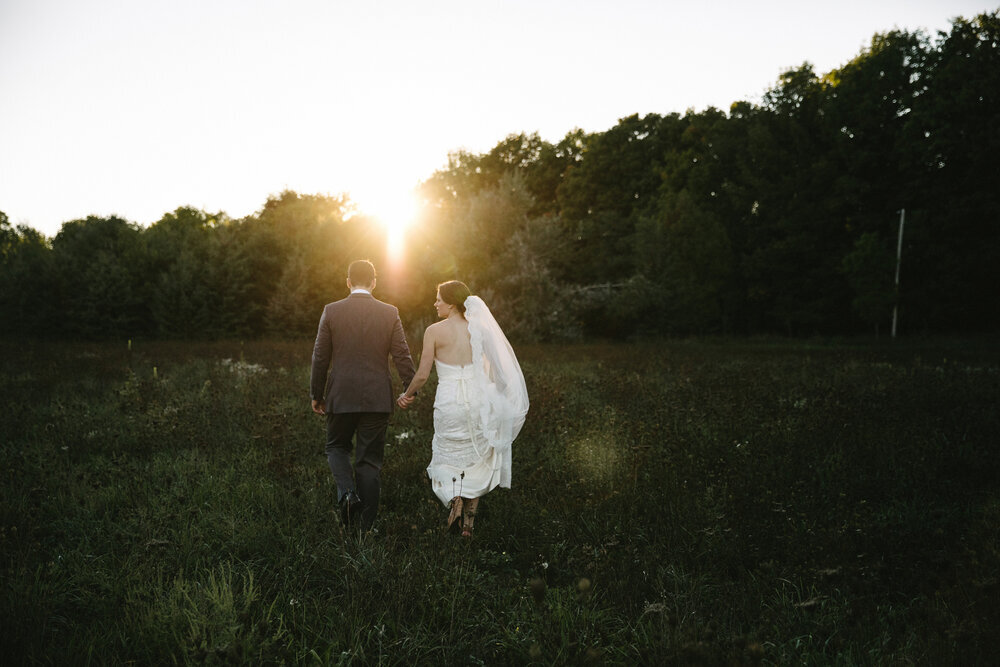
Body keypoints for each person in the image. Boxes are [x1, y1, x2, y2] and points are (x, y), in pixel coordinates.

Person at [397, 281, 528, 537]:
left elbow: (422, 375)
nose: (435, 303)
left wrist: (406, 394)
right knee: (476, 457)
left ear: (452, 302)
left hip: (448, 403)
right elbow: (501, 372)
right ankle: (469, 525)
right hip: (477, 401)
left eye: (438, 299)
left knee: (446, 455)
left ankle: (454, 499)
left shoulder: (434, 331)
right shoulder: (479, 330)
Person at [310, 259, 416, 532]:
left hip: (340, 395)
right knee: (368, 462)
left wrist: (316, 393)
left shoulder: (331, 311)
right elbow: (402, 353)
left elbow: (320, 357)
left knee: (336, 446)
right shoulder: (389, 312)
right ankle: (366, 528)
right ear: (374, 282)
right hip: (377, 397)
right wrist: (409, 386)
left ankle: (346, 494)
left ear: (347, 282)